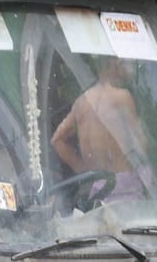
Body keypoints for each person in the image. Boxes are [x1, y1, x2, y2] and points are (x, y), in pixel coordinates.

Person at [51, 60, 151, 201]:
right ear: (114, 64)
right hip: (125, 191)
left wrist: (83, 169)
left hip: (98, 192)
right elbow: (140, 145)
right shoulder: (122, 97)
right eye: (125, 63)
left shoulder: (81, 102)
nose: (130, 68)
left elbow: (57, 140)